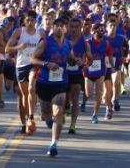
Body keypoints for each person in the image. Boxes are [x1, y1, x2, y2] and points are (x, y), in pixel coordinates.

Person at [30, 18, 76, 157]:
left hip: (60, 83)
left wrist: (76, 60)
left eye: (62, 26)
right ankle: (49, 120)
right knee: (45, 114)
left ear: (65, 29)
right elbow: (32, 59)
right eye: (57, 26)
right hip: (44, 83)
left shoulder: (68, 44)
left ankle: (53, 143)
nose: (59, 28)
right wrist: (46, 64)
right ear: (53, 28)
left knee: (59, 113)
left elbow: (71, 59)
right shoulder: (45, 42)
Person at [5, 10, 45, 135]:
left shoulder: (41, 32)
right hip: (21, 65)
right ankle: (28, 119)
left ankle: (31, 116)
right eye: (28, 20)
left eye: (32, 20)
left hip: (34, 64)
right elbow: (7, 49)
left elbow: (47, 46)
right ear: (24, 21)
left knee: (31, 88)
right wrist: (18, 47)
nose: (30, 23)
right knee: (24, 94)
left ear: (36, 21)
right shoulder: (19, 32)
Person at [64, 18, 91, 134]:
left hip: (77, 73)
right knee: (65, 98)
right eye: (72, 27)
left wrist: (84, 63)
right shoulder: (63, 39)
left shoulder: (85, 42)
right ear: (68, 28)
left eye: (76, 27)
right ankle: (66, 107)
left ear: (80, 28)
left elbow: (90, 59)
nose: (74, 29)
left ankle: (72, 124)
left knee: (75, 97)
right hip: (63, 73)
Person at [85, 22, 114, 123]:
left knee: (99, 93)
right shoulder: (88, 42)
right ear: (94, 30)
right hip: (88, 72)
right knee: (89, 94)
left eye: (103, 29)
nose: (102, 31)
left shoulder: (106, 43)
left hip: (101, 71)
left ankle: (95, 114)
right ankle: (87, 103)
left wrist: (113, 66)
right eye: (100, 29)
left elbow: (110, 55)